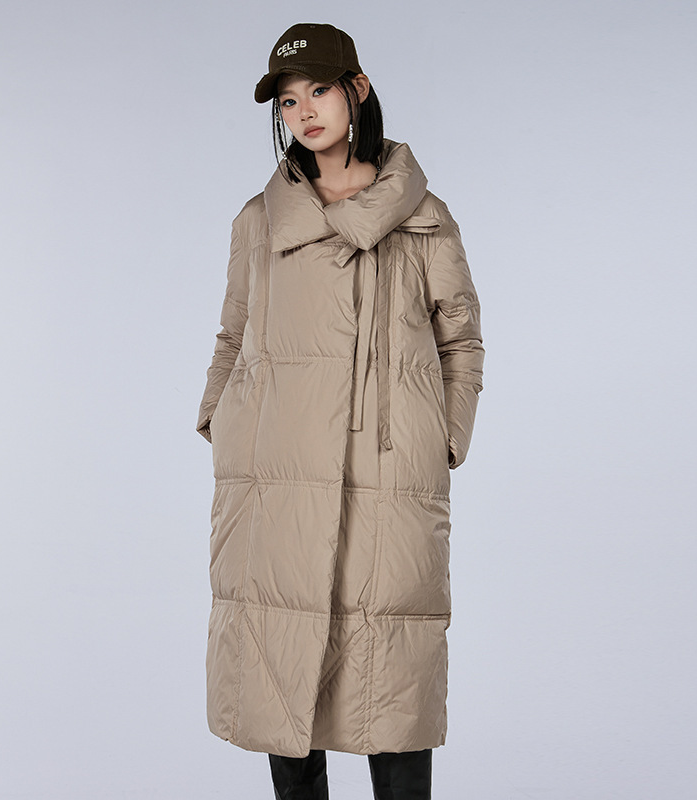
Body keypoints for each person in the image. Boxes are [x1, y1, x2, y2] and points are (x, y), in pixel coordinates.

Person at [196, 22, 485, 799]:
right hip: (275, 477)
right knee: (284, 682)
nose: (305, 113)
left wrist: (441, 441)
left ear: (357, 89)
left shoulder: (425, 219)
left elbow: (461, 340)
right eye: (288, 101)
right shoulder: (258, 222)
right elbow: (233, 334)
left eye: (318, 91)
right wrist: (221, 425)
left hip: (389, 479)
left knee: (392, 690)